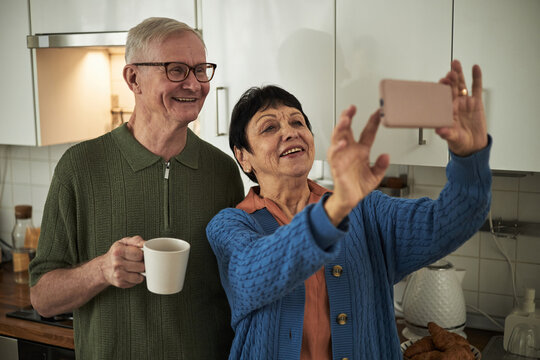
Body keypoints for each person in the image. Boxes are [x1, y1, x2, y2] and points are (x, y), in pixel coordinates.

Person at [206, 59, 492, 360]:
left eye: (297, 122)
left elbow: (451, 220)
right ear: (243, 156)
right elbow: (254, 273)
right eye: (269, 127)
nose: (290, 132)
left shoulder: (366, 210)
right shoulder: (231, 225)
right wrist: (337, 208)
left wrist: (469, 157)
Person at [29, 17, 244, 359]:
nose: (194, 84)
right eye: (176, 70)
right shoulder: (79, 167)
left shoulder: (222, 171)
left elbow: (239, 284)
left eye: (200, 69)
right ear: (133, 78)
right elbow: (42, 297)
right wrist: (101, 270)